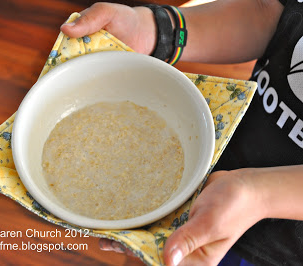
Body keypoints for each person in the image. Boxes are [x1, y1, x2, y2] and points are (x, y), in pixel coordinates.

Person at [61, 1, 303, 265]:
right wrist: (157, 29)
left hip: (280, 248)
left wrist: (260, 195)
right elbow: (273, 13)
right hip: (210, 169)